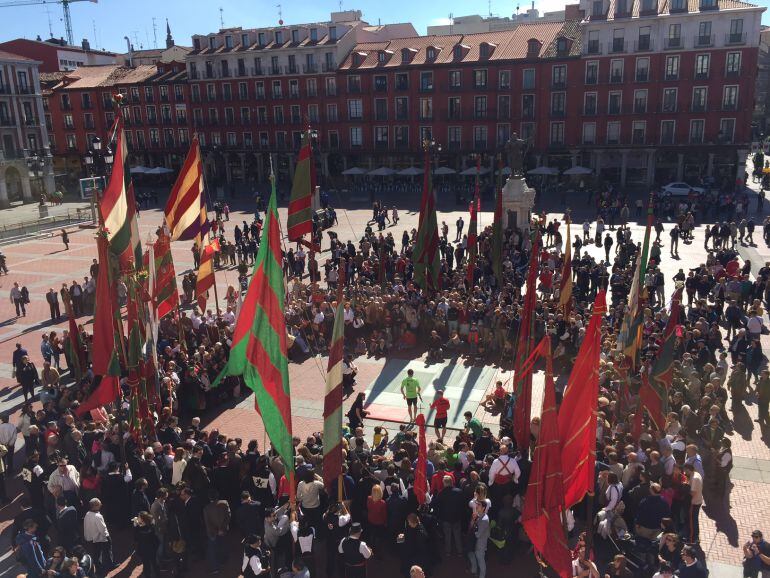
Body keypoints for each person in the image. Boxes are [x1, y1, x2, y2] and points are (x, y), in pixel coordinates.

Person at [84, 498, 115, 571]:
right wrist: (107, 537)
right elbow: (103, 529)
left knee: (96, 553)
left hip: (92, 538)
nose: (101, 505)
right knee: (107, 551)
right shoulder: (98, 516)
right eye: (99, 504)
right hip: (101, 538)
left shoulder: (87, 514)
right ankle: (110, 565)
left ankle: (98, 567)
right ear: (95, 506)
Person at [467, 500, 490, 578]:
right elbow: (470, 527)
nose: (476, 506)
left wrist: (473, 529)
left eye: (479, 505)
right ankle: (474, 571)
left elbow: (478, 534)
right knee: (473, 556)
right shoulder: (478, 515)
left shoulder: (484, 520)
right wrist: (473, 520)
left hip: (480, 544)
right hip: (475, 543)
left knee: (481, 561)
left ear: (483, 508)